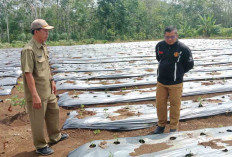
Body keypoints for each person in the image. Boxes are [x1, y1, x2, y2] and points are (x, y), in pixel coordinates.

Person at [21, 19, 69, 155]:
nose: (47, 33)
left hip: (48, 89)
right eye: (45, 31)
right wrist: (35, 95)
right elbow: (28, 74)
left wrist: (52, 80)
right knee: (37, 120)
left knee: (53, 112)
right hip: (37, 93)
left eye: (48, 31)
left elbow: (46, 66)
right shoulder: (28, 50)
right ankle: (40, 145)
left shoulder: (43, 46)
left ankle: (55, 136)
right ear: (36, 32)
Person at [154, 26, 194, 134]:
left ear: (176, 35)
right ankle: (161, 125)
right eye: (167, 37)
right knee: (160, 104)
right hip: (161, 82)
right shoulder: (159, 46)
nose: (170, 39)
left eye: (172, 36)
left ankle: (173, 127)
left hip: (176, 83)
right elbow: (159, 58)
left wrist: (179, 72)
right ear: (164, 36)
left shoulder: (183, 48)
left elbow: (190, 64)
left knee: (175, 105)